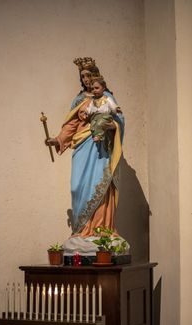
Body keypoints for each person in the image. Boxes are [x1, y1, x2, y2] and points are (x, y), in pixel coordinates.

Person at [47, 57, 126, 254]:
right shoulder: (79, 100)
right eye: (82, 76)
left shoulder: (106, 96)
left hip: (101, 149)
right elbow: (71, 125)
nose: (85, 79)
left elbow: (119, 118)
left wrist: (113, 125)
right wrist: (57, 140)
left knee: (99, 185)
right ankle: (82, 230)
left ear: (96, 75)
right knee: (78, 186)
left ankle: (100, 231)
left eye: (88, 75)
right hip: (82, 145)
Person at [86, 76, 122, 147]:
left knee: (100, 124)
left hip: (105, 117)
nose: (94, 90)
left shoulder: (107, 99)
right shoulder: (93, 101)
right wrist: (87, 112)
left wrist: (116, 109)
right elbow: (90, 108)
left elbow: (113, 106)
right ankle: (96, 134)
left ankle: (99, 136)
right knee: (93, 125)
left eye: (97, 88)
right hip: (95, 117)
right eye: (92, 89)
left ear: (103, 88)